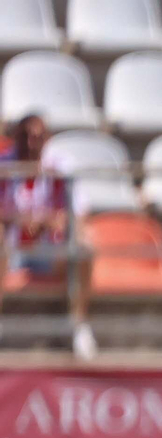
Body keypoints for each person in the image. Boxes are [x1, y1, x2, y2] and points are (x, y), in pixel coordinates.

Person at [0, 113, 94, 359]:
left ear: (47, 138)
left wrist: (48, 221)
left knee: (83, 248)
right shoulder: (3, 165)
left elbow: (79, 213)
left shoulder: (62, 166)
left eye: (37, 137)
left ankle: (78, 324)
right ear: (15, 137)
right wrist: (18, 220)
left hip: (49, 248)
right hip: (10, 248)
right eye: (25, 137)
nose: (31, 143)